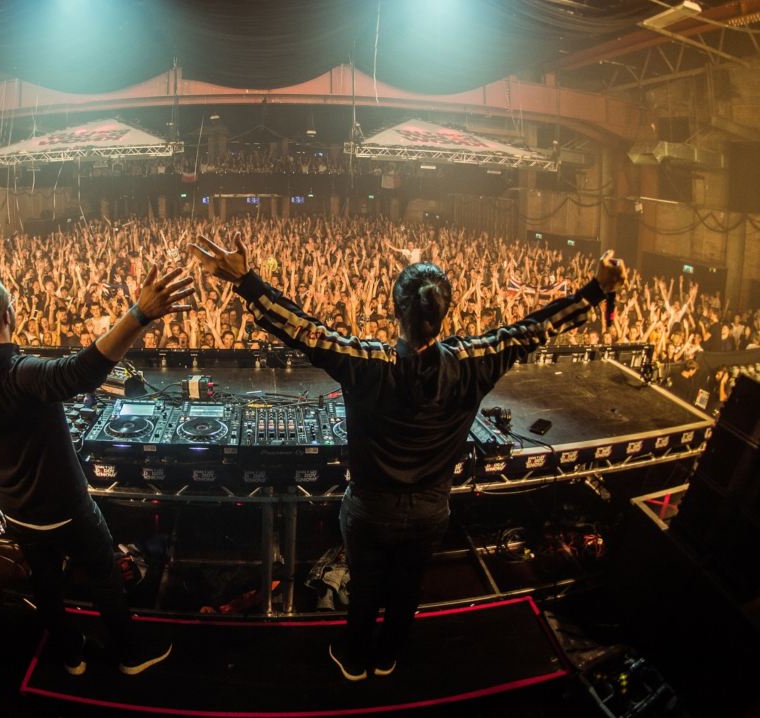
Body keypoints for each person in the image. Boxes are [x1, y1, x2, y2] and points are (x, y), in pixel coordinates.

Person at [191, 231, 626, 681]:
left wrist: (246, 281)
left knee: (364, 588)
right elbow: (534, 328)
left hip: (370, 508)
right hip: (430, 509)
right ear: (444, 313)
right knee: (406, 590)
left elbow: (304, 330)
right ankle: (387, 658)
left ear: (395, 310)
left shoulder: (366, 363)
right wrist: (596, 290)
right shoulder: (473, 362)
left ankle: (355, 661)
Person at [0, 264, 193, 677]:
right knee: (104, 577)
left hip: (17, 512)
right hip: (66, 510)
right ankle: (131, 656)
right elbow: (82, 371)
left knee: (45, 585)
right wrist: (140, 314)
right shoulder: (20, 373)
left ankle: (70, 654)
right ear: (8, 315)